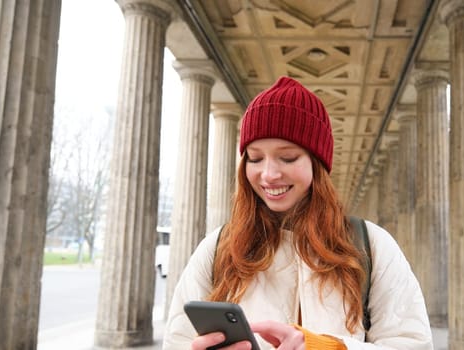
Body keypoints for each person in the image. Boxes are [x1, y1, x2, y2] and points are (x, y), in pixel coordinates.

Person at [163, 76, 432, 349]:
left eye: (288, 157)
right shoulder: (217, 248)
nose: (268, 174)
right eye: (255, 158)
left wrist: (328, 348)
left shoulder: (371, 245)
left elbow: (413, 343)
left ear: (318, 164)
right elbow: (177, 341)